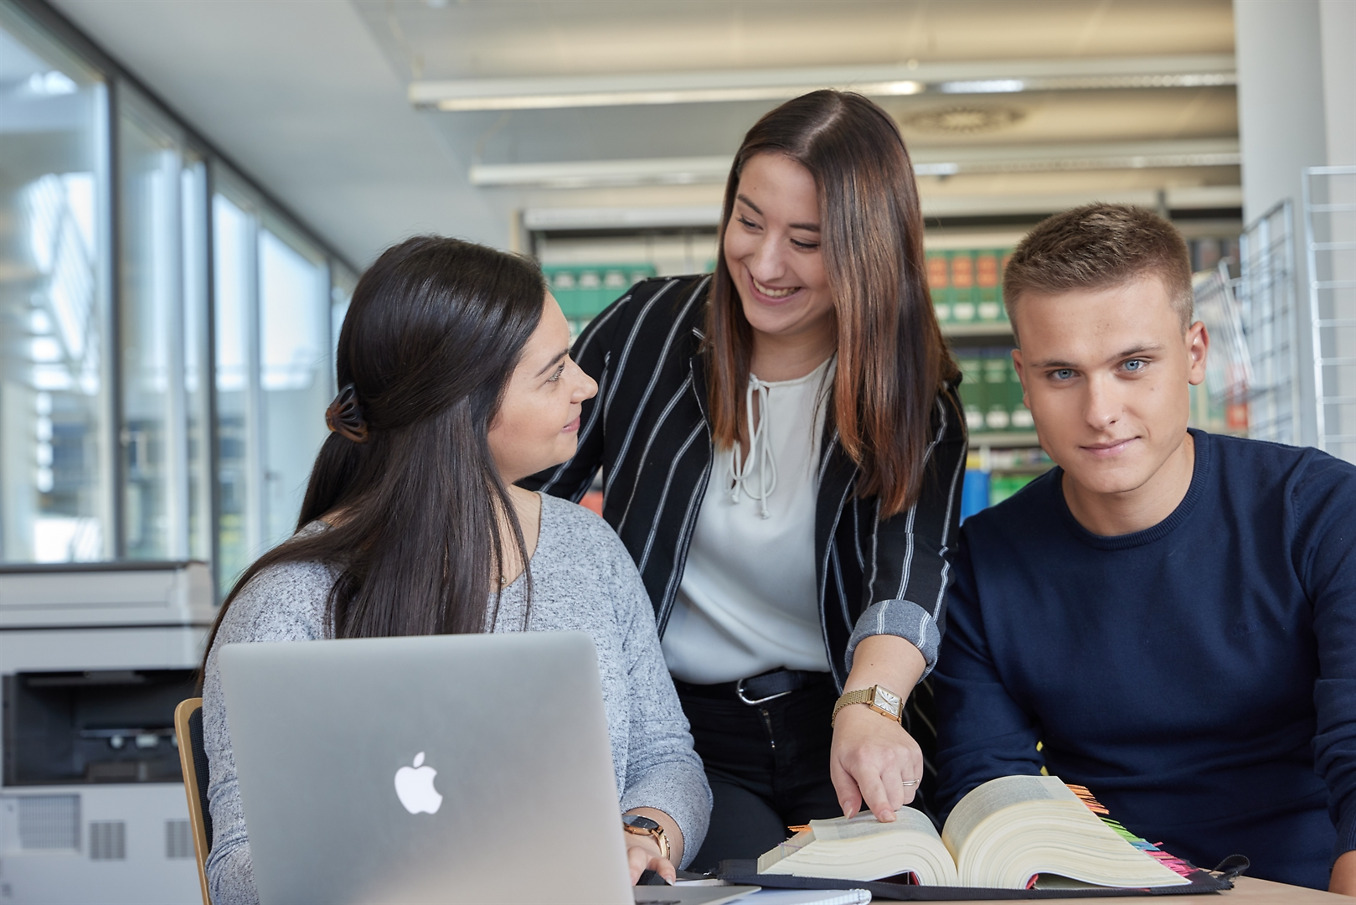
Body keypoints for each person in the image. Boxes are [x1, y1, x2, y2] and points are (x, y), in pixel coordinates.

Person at [525, 90, 967, 868]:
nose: (764, 264)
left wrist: (871, 705)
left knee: (889, 880)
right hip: (679, 730)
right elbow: (532, 483)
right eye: (749, 221)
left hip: (840, 717)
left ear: (868, 250)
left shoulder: (914, 397)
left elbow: (911, 573)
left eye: (806, 240)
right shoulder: (647, 329)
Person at [199, 236, 710, 905]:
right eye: (553, 371)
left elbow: (667, 755)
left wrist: (646, 832)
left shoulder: (588, 547)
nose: (586, 384)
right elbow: (241, 871)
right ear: (462, 410)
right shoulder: (288, 605)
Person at [932, 202, 1356, 894]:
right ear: (1023, 378)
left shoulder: (1322, 510)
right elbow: (992, 790)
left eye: (1132, 363)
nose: (1100, 411)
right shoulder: (985, 560)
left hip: (1305, 887)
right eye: (1062, 373)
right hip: (1107, 890)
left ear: (1194, 353)